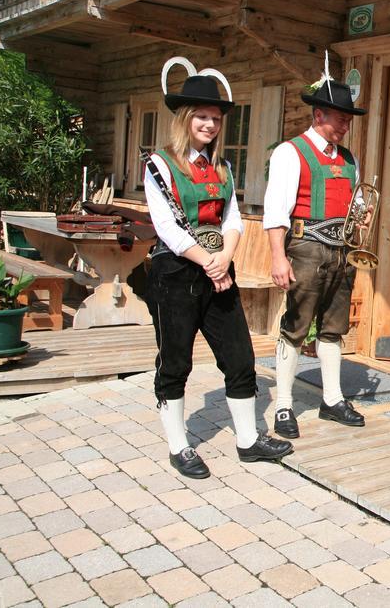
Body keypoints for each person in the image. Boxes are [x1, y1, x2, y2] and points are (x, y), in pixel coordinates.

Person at [146, 58, 291, 479]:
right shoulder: (160, 164)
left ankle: (248, 441)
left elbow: (231, 218)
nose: (209, 124)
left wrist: (225, 257)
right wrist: (208, 261)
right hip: (176, 273)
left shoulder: (223, 168)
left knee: (239, 356)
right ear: (186, 119)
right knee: (175, 362)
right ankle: (179, 446)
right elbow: (168, 228)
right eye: (202, 117)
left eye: (214, 118)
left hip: (220, 270)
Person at [263, 59, 368, 438]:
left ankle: (332, 400)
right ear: (319, 114)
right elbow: (276, 211)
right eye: (341, 118)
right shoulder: (290, 153)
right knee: (295, 327)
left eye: (349, 119)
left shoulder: (349, 158)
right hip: (306, 247)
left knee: (334, 329)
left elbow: (355, 204)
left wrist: (361, 218)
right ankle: (285, 405)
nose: (346, 125)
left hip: (342, 250)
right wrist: (279, 257)